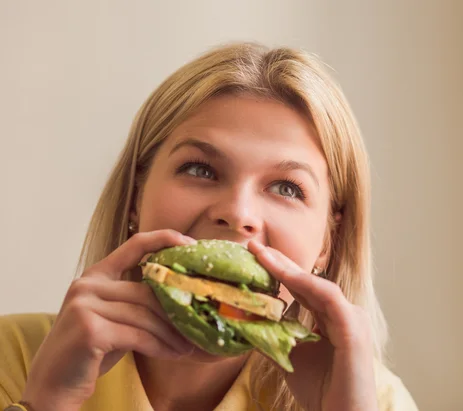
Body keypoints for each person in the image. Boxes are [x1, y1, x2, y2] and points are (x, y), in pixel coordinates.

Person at [0, 42, 418, 411]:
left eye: (287, 189)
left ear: (329, 241)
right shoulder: (13, 358)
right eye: (200, 169)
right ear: (134, 198)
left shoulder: (377, 402)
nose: (238, 213)